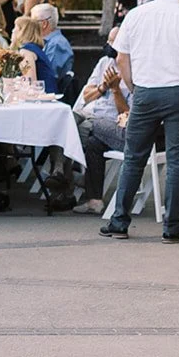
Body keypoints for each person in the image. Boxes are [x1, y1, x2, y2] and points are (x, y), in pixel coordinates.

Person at [102, 0, 179, 242]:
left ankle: (119, 222)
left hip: (146, 92)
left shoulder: (137, 15)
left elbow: (121, 58)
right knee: (177, 162)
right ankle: (172, 227)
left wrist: (133, 87)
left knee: (133, 157)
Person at [71, 26, 131, 215]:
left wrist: (115, 89)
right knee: (75, 123)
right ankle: (94, 199)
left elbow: (126, 114)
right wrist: (103, 87)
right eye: (109, 41)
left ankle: (68, 177)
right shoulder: (105, 61)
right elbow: (87, 96)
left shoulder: (133, 69)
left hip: (114, 123)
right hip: (91, 112)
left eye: (113, 42)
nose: (109, 45)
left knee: (83, 129)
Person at [30, 3, 76, 100]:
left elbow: (47, 76)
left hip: (50, 98)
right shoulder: (49, 42)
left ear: (44, 24)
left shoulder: (56, 44)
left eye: (32, 22)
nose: (30, 27)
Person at [9, 16, 56, 94]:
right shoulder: (34, 48)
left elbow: (30, 82)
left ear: (23, 31)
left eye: (15, 28)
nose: (12, 31)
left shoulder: (26, 51)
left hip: (44, 99)